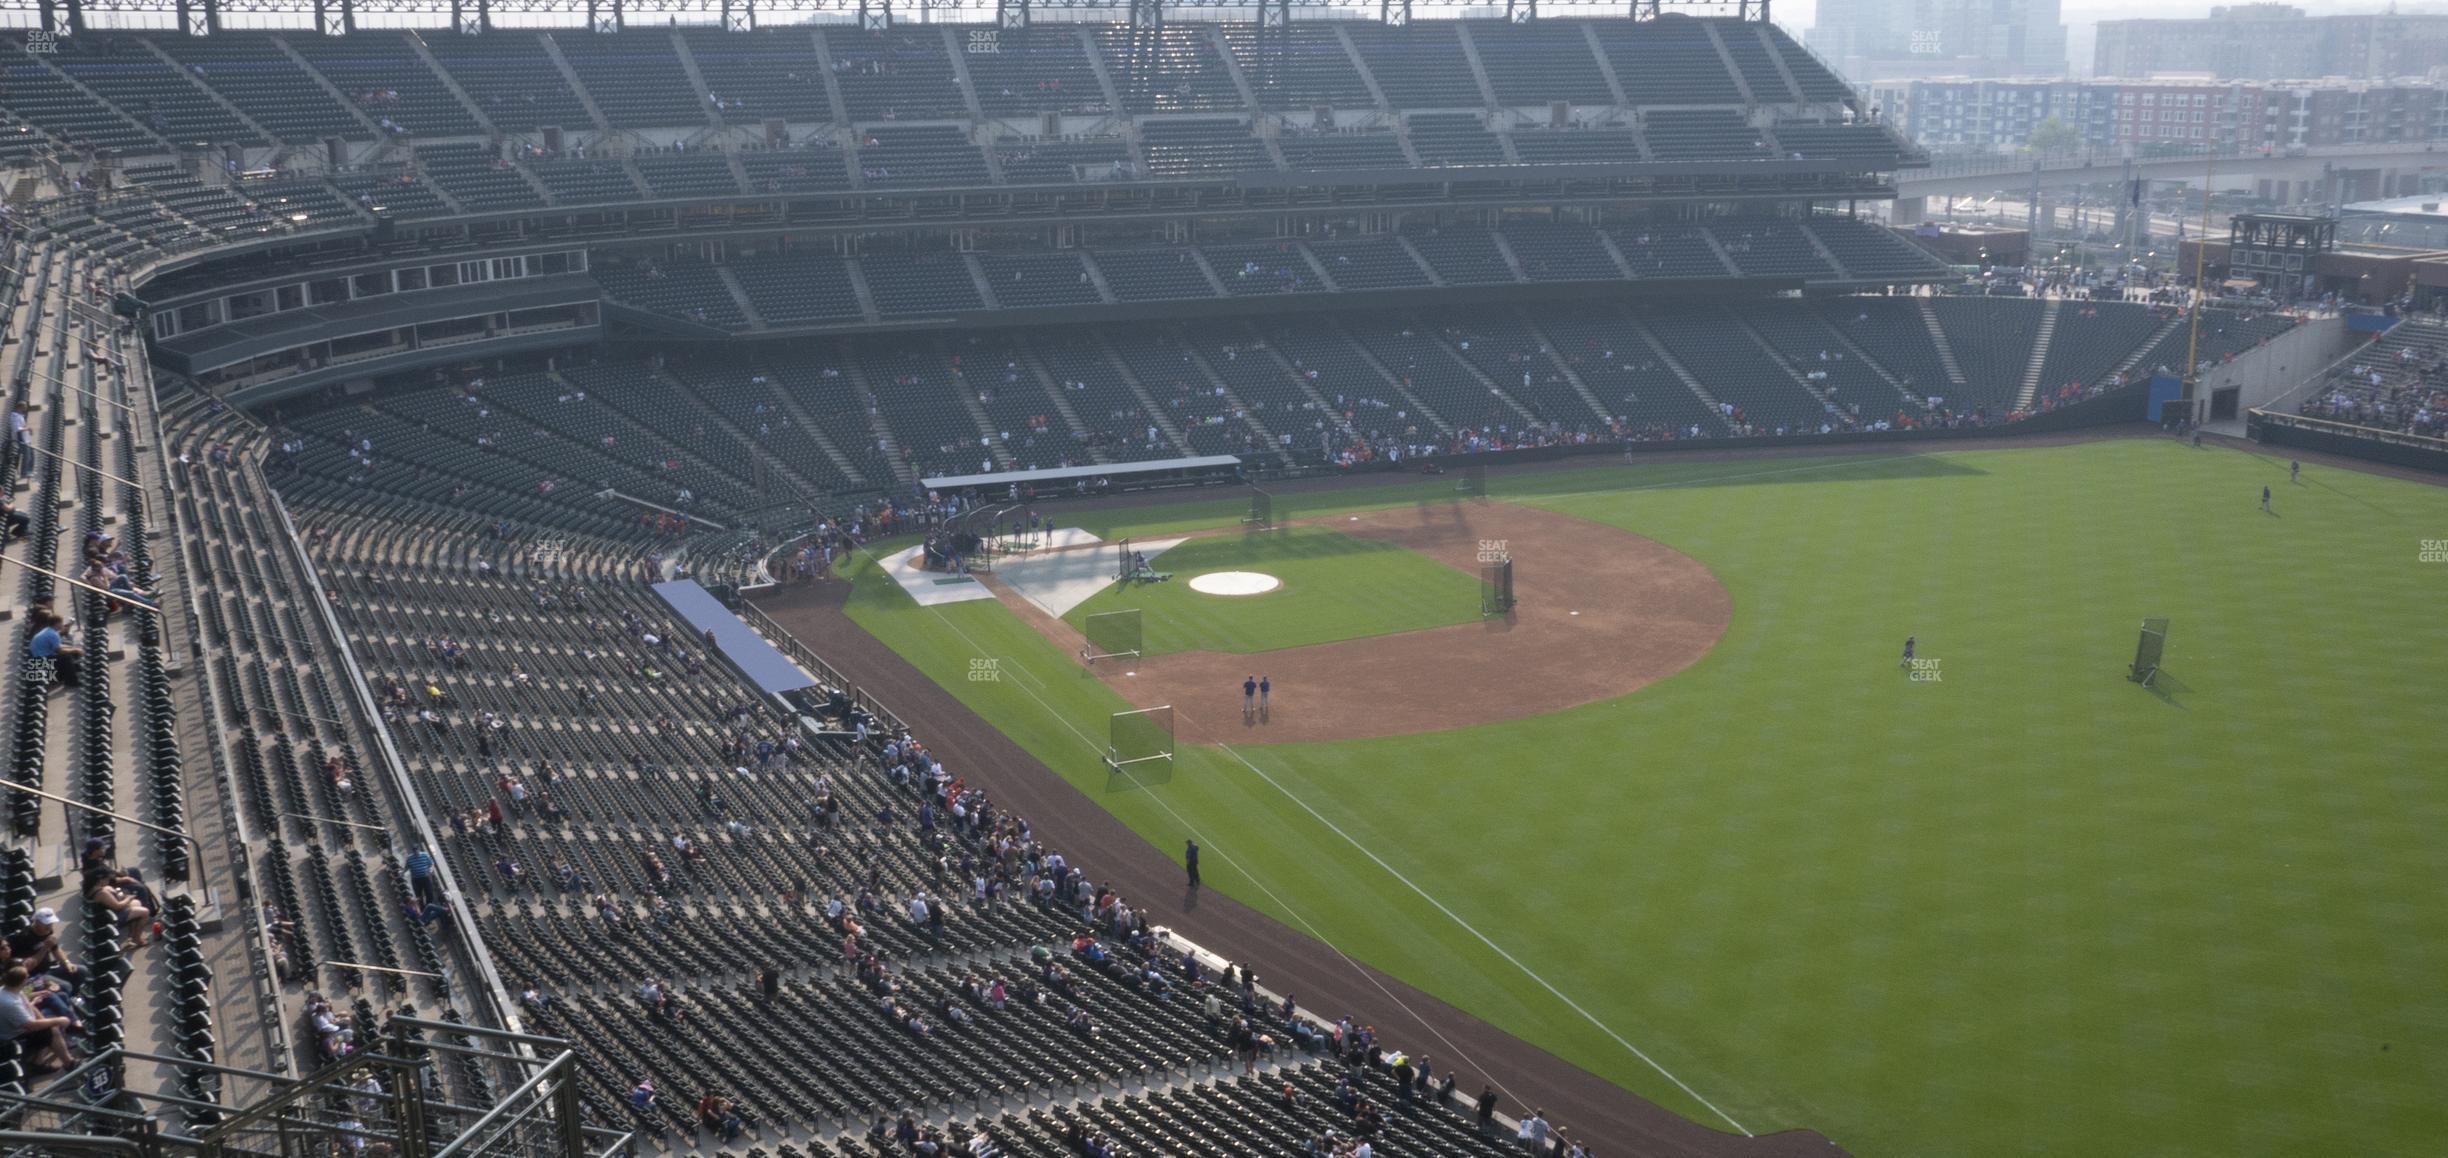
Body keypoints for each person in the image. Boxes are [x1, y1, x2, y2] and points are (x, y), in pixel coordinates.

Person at [0, 966, 75, 1072]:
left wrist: (36, 1000)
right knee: (52, 1029)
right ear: (22, 981)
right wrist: (59, 1020)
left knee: (49, 1022)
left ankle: (38, 1062)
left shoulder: (10, 989)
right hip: (13, 1039)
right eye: (27, 977)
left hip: (22, 1028)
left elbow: (27, 1005)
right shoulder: (9, 1003)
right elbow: (30, 1025)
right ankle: (69, 1063)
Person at [28, 609, 81, 690]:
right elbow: (59, 650)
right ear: (57, 623)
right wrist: (75, 650)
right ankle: (72, 681)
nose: (62, 624)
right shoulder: (52, 634)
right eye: (61, 623)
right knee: (66, 657)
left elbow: (58, 645)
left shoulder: (49, 630)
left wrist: (73, 648)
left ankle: (75, 670)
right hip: (40, 661)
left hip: (37, 657)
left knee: (70, 651)